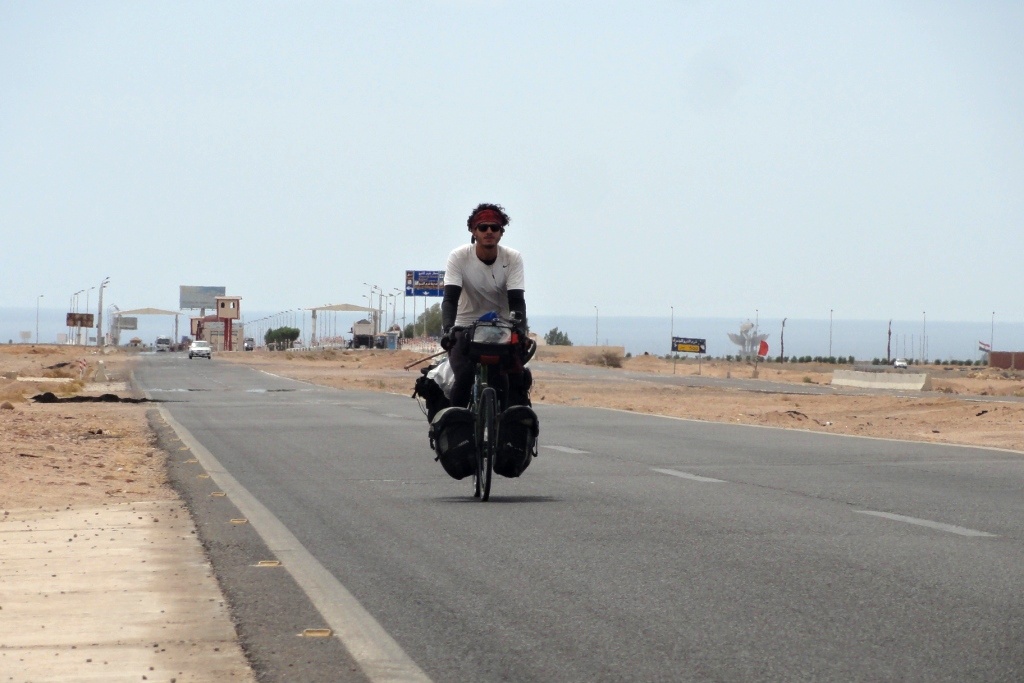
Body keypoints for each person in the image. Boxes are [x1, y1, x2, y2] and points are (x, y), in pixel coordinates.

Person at [440, 203, 531, 409]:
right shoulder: (458, 257)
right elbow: (450, 299)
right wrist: (448, 329)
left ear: (501, 232)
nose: (489, 231)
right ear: (473, 231)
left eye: (494, 227)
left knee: (511, 379)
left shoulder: (513, 258)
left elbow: (517, 300)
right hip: (465, 327)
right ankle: (458, 422)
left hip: (501, 328)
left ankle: (505, 424)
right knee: (463, 377)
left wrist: (519, 328)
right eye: (483, 227)